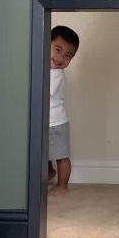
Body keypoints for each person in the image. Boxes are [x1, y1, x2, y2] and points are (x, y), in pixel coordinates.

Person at [48, 25, 79, 195]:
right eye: (58, 50)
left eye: (68, 56)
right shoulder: (47, 69)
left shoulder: (55, 74)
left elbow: (43, 91)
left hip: (56, 123)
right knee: (42, 152)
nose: (61, 58)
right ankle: (48, 173)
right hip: (45, 121)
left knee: (61, 156)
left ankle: (62, 185)